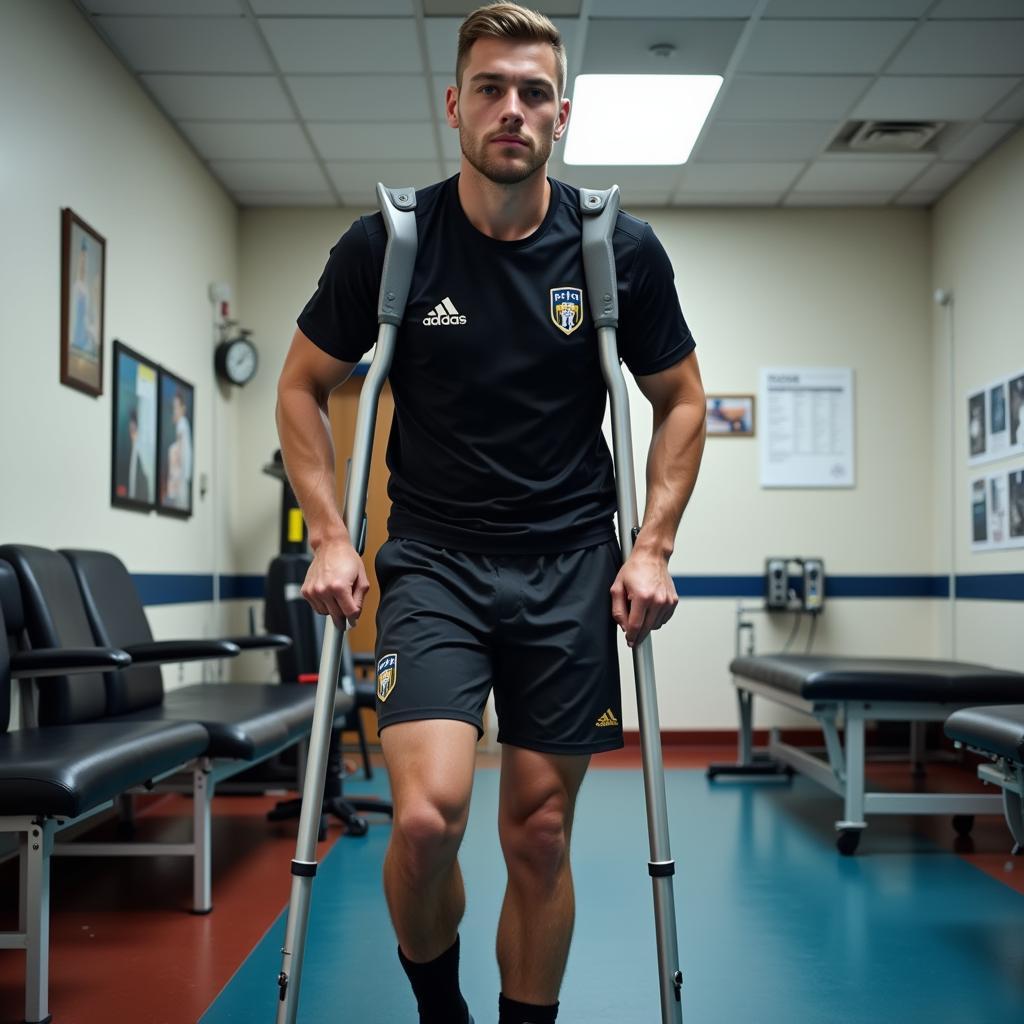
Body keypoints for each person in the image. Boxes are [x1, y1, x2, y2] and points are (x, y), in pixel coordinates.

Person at [275, 5, 707, 1022]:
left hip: (567, 565)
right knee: (425, 822)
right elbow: (300, 385)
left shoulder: (616, 250)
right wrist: (333, 534)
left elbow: (681, 398)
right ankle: (441, 1010)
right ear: (453, 105)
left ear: (563, 112)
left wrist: (651, 547)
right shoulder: (392, 242)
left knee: (540, 831)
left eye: (532, 92)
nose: (511, 109)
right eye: (490, 89)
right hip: (431, 561)